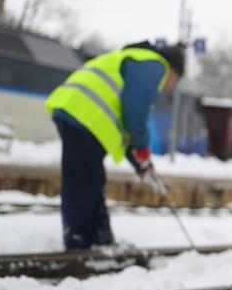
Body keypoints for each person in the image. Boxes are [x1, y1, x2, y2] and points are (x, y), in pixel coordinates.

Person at [45, 41, 184, 250]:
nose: (169, 85)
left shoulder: (135, 59)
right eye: (174, 81)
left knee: (90, 179)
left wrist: (143, 166)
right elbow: (135, 111)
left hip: (78, 111)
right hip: (84, 114)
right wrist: (144, 148)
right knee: (84, 182)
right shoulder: (155, 64)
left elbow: (127, 127)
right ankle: (79, 242)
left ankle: (100, 238)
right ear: (173, 70)